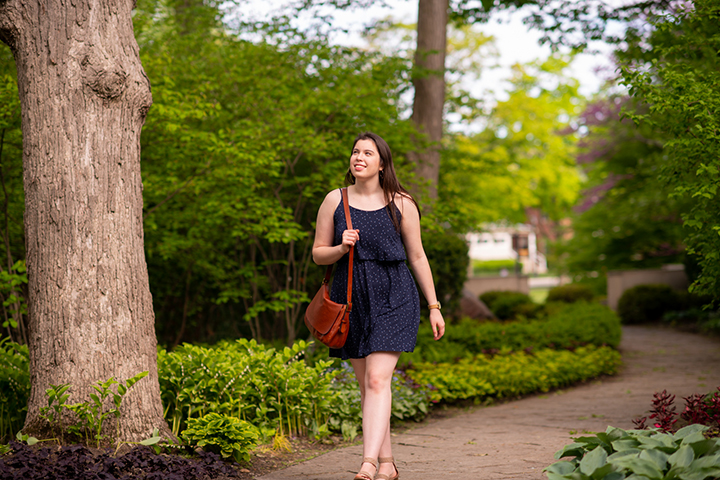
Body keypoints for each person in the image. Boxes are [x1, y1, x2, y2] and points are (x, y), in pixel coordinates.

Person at [312, 132, 445, 480]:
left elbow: (417, 255)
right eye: (355, 151)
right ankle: (387, 464)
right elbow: (317, 254)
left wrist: (434, 305)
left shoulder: (402, 203)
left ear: (381, 163)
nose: (359, 157)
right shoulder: (334, 201)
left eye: (368, 153)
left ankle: (367, 464)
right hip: (350, 296)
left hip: (394, 294)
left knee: (376, 379)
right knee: (369, 385)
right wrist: (340, 248)